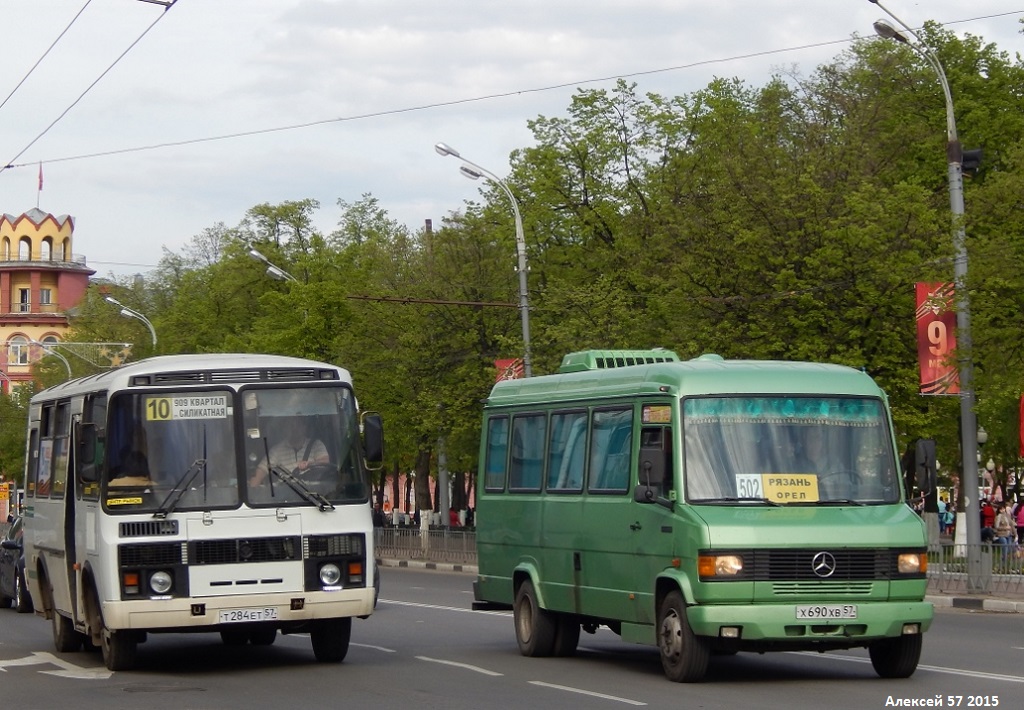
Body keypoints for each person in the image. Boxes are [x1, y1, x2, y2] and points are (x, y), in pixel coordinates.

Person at [249, 417, 329, 486]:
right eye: (291, 425)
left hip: (314, 495)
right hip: (286, 497)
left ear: (304, 427)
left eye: (298, 425)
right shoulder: (277, 450)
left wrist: (309, 464)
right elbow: (262, 469)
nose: (294, 429)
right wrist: (256, 481)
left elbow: (325, 462)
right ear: (285, 429)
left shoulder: (316, 445)